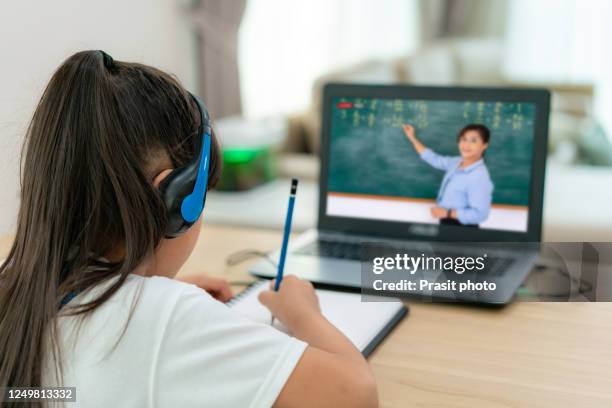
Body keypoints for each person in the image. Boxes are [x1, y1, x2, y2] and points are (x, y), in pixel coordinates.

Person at [0, 51, 377, 407]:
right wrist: (303, 313)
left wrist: (157, 300)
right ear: (177, 200)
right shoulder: (163, 316)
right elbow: (354, 394)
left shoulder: (16, 289)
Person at [402, 123, 494, 227]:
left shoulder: (479, 176)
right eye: (463, 139)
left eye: (473, 141)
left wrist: (447, 213)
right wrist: (412, 138)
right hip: (446, 223)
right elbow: (433, 159)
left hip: (462, 229)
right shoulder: (456, 163)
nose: (466, 145)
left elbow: (480, 215)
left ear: (484, 145)